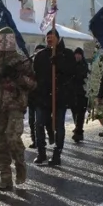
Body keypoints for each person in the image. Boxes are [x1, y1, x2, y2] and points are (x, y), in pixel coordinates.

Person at [0, 27, 36, 191]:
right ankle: (5, 177)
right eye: (0, 39)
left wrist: (17, 77)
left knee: (12, 137)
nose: (3, 43)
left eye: (6, 39)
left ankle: (20, 164)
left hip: (15, 106)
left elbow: (33, 84)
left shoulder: (22, 61)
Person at [31, 29, 76, 166]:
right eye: (47, 37)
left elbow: (72, 72)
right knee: (39, 124)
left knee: (59, 126)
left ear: (58, 38)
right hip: (43, 96)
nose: (49, 39)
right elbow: (35, 74)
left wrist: (59, 63)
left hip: (59, 96)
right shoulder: (40, 55)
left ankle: (57, 153)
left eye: (52, 37)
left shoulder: (67, 54)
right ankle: (41, 152)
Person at [28, 43, 50, 148]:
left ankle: (42, 140)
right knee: (31, 121)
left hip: (42, 98)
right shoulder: (29, 64)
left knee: (40, 122)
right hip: (31, 98)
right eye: (37, 52)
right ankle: (35, 140)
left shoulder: (46, 66)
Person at [70, 47, 90, 142]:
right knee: (75, 112)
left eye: (79, 54)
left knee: (80, 113)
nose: (77, 56)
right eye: (76, 54)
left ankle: (79, 132)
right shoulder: (71, 65)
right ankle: (77, 128)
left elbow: (83, 77)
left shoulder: (85, 66)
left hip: (82, 93)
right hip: (73, 94)